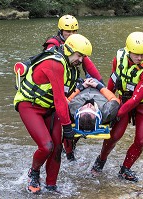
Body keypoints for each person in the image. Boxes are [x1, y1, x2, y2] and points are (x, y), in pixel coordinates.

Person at [13, 34, 93, 194]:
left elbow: (65, 98)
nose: (81, 60)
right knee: (46, 146)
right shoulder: (55, 63)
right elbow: (59, 99)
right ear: (69, 50)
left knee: (56, 147)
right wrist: (67, 126)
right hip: (30, 105)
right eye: (79, 56)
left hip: (50, 108)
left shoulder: (71, 67)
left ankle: (51, 186)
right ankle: (34, 173)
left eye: (83, 57)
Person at [91, 32, 143, 182]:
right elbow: (114, 79)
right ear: (128, 51)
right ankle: (100, 161)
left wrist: (117, 114)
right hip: (123, 99)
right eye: (136, 54)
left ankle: (125, 169)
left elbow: (136, 99)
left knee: (141, 141)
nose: (140, 58)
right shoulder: (119, 58)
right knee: (114, 135)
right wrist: (107, 103)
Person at [42, 15, 104, 161]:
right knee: (60, 122)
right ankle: (62, 149)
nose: (71, 34)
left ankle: (70, 150)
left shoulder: (78, 44)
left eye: (74, 31)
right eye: (67, 32)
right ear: (61, 31)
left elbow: (89, 65)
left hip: (69, 85)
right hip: (55, 86)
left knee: (75, 118)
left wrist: (101, 85)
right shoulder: (53, 45)